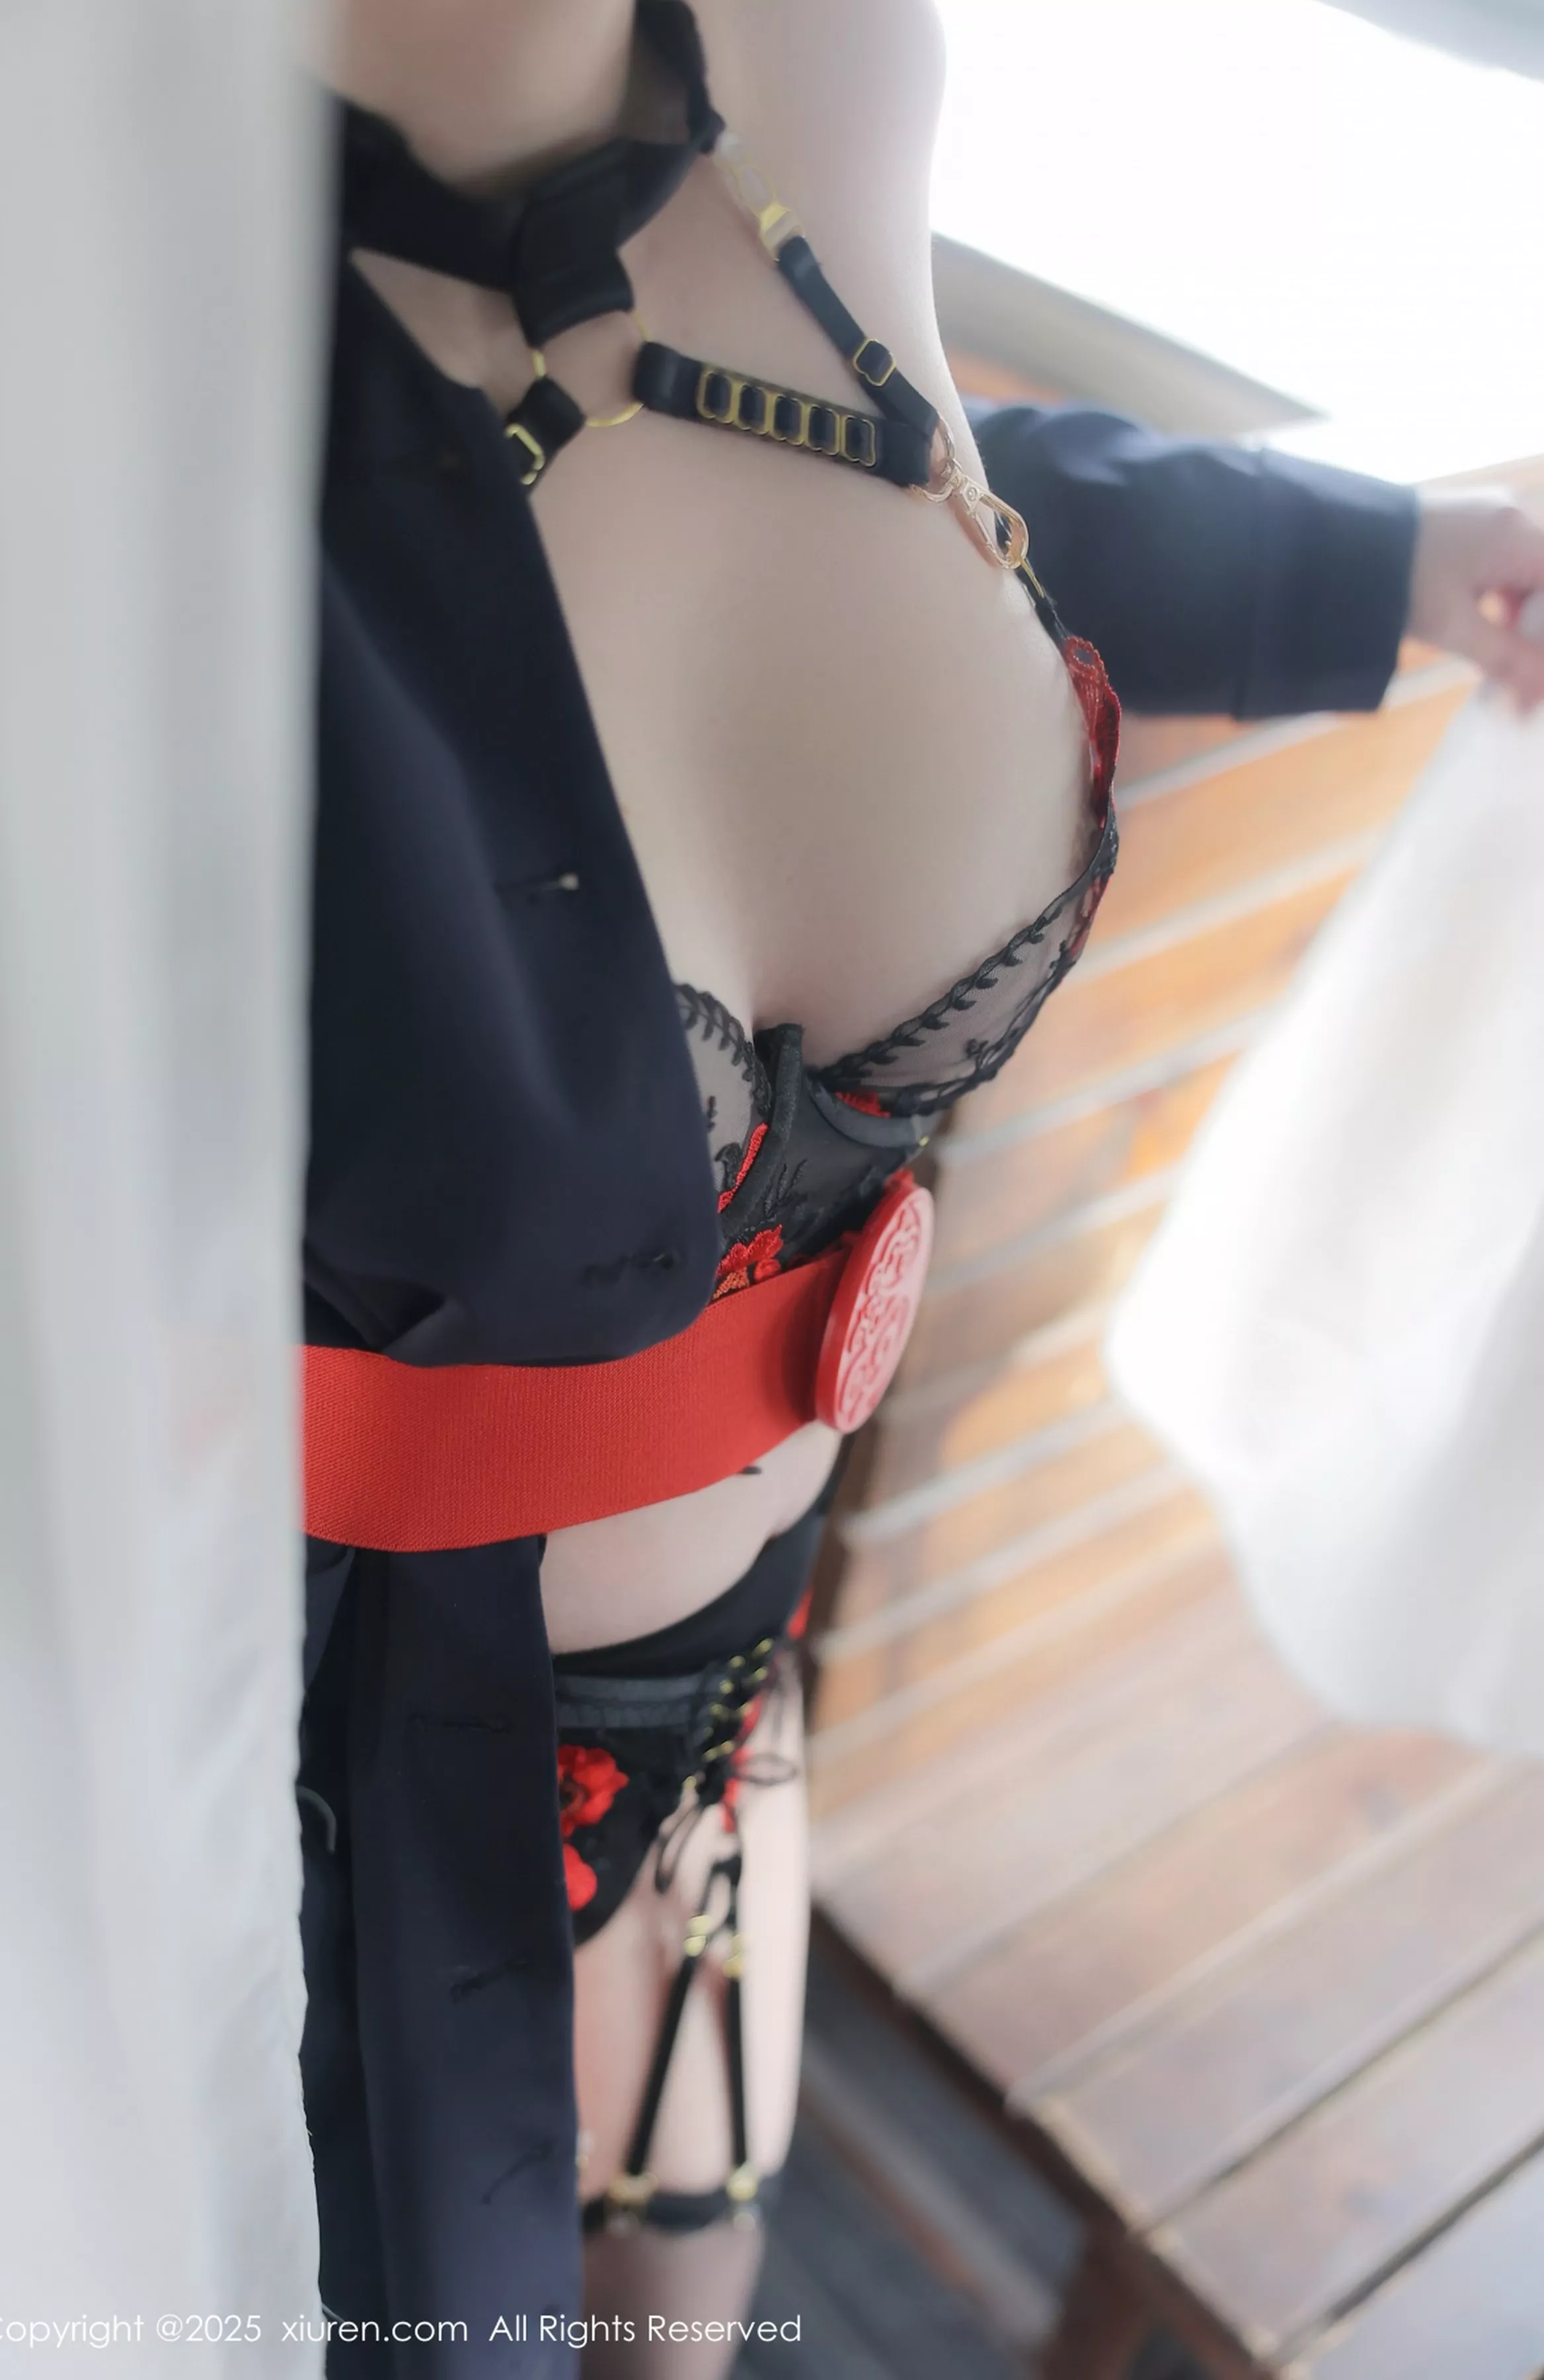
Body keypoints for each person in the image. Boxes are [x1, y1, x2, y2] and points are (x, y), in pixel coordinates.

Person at [301, 2, 1544, 2371]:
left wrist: (1390, 559)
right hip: (306, 1805)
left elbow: (882, 463)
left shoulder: (832, 51)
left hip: (727, 1705)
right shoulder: (85, 301)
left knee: (691, 2303)